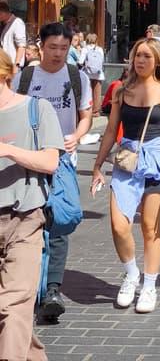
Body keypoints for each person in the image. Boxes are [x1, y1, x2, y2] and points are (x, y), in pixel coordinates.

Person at [90, 38, 160, 314]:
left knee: (150, 228)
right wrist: (97, 165)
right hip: (126, 160)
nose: (140, 61)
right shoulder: (121, 91)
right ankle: (131, 274)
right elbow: (110, 130)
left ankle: (150, 284)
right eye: (136, 56)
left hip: (155, 160)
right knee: (119, 225)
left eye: (146, 56)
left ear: (157, 61)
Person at [14, 21, 93, 324]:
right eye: (53, 47)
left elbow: (86, 115)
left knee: (59, 220)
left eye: (64, 48)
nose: (58, 53)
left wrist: (78, 135)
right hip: (28, 159)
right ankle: (28, 288)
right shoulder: (25, 77)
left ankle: (53, 290)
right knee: (28, 222)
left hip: (62, 160)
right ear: (41, 46)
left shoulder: (77, 77)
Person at [0, 46, 63, 361]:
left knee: (14, 304)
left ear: (5, 74)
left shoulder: (35, 110)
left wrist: (8, 150)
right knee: (12, 313)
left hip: (24, 218)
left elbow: (51, 161)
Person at [82, 32, 105, 114]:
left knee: (88, 92)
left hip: (87, 74)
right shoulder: (100, 49)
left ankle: (89, 109)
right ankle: (96, 111)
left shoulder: (85, 49)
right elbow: (102, 61)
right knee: (97, 93)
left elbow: (81, 61)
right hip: (98, 74)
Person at [0, 0, 26, 69]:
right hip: (6, 65)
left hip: (13, 66)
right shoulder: (4, 25)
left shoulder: (17, 23)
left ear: (3, 13)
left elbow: (21, 46)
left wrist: (16, 65)